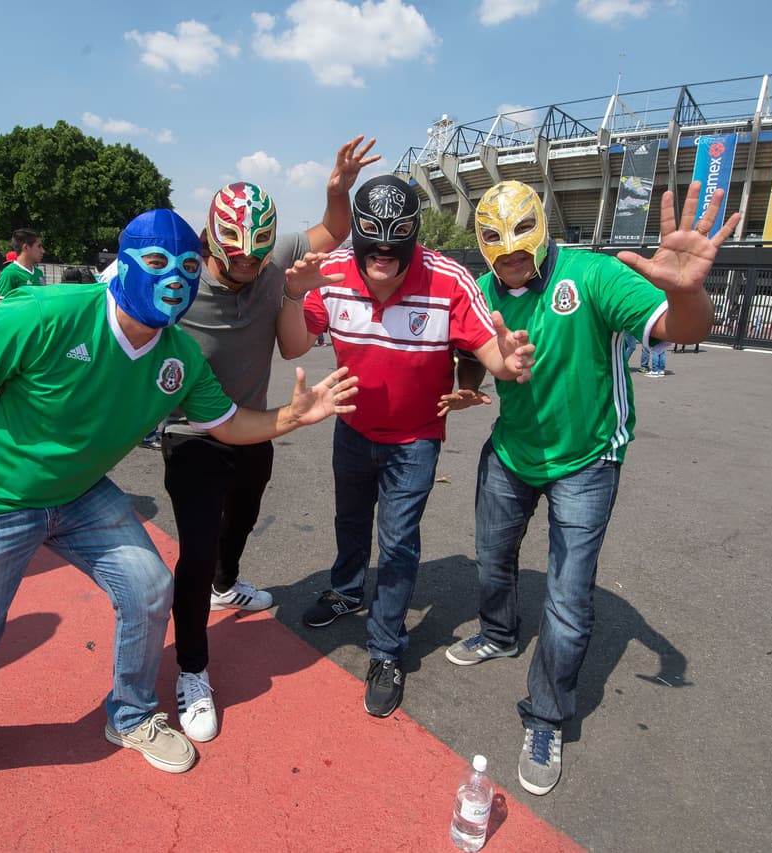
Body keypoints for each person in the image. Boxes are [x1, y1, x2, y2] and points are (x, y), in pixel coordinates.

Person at [0, 209, 358, 824]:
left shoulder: (179, 355)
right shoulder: (45, 313)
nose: (174, 279)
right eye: (157, 263)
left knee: (149, 586)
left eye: (188, 267)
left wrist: (293, 416)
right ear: (125, 264)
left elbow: (227, 424)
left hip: (77, 493)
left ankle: (132, 714)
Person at [448, 179, 739, 796]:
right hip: (511, 451)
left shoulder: (594, 275)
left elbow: (679, 328)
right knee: (492, 558)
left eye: (521, 237)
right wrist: (470, 381)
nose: (510, 253)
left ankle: (546, 716)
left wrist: (687, 290)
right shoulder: (482, 290)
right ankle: (498, 634)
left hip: (587, 459)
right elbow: (474, 347)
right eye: (495, 241)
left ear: (543, 228)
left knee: (568, 597)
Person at [288, 174, 535, 719]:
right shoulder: (332, 272)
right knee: (350, 519)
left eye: (395, 241)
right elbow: (293, 344)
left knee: (398, 542)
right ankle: (346, 589)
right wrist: (292, 294)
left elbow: (490, 352)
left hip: (415, 439)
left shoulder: (448, 279)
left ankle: (386, 649)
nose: (382, 254)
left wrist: (507, 362)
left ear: (414, 236)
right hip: (352, 427)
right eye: (371, 241)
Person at [162, 136, 379, 743]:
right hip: (191, 432)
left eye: (258, 257)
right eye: (236, 257)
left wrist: (337, 191)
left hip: (255, 423)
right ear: (211, 242)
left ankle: (226, 584)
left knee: (243, 519)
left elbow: (333, 231)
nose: (248, 267)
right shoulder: (180, 282)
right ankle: (192, 669)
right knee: (196, 547)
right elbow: (105, 308)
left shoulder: (275, 260)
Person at [0, 229, 44, 300]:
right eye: (39, 246)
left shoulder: (39, 273)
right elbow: (3, 305)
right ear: (26, 247)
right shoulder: (9, 273)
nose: (43, 251)